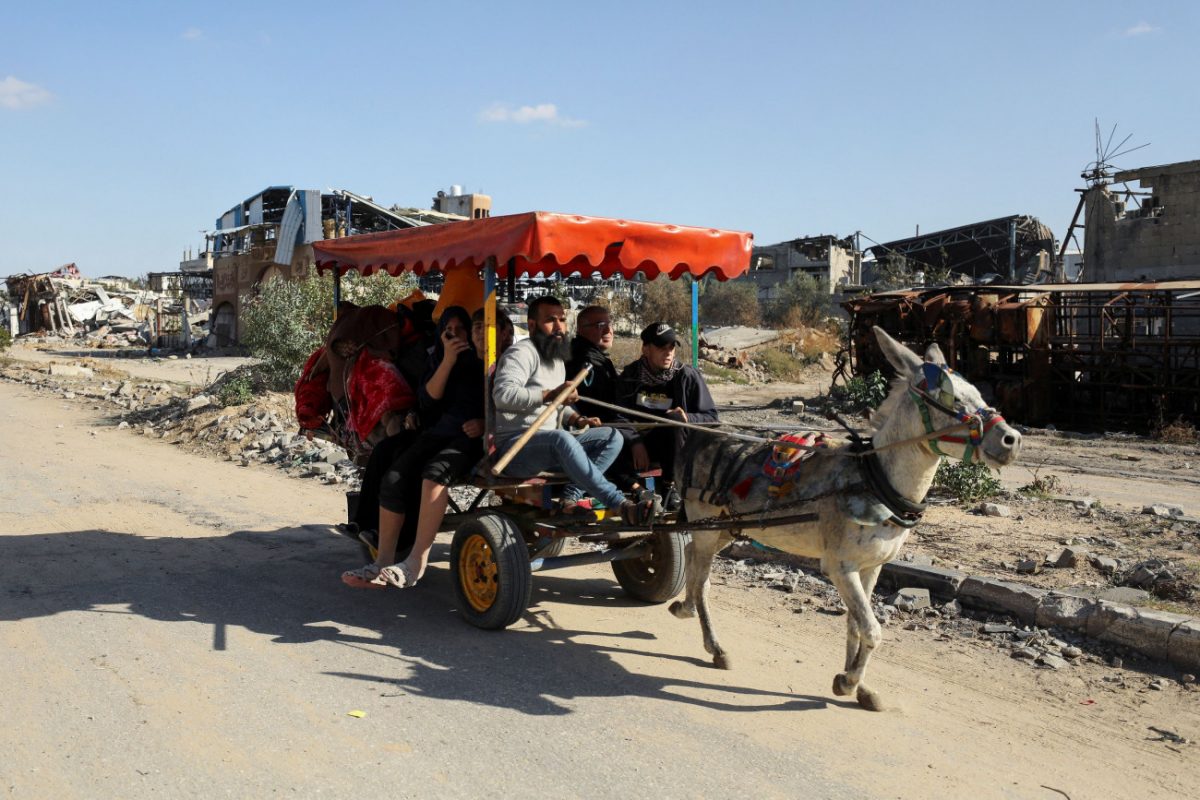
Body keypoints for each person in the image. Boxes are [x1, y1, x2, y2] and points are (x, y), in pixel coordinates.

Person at [341, 306, 486, 589]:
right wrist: (448, 358)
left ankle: (414, 562)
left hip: (466, 439)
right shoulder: (438, 359)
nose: (454, 335)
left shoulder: (481, 359)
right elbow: (429, 399)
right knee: (394, 475)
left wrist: (482, 423)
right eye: (448, 331)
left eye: (461, 330)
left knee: (427, 471)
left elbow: (493, 401)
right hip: (434, 432)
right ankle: (381, 558)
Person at [492, 296, 652, 524]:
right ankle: (620, 504)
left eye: (562, 320)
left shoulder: (556, 358)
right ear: (532, 325)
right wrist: (550, 394)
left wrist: (577, 418)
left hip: (549, 447)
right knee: (560, 438)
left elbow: (556, 404)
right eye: (550, 320)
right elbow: (503, 396)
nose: (559, 327)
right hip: (517, 448)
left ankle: (569, 499)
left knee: (612, 436)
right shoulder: (521, 353)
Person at [618, 321, 719, 509]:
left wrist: (687, 418)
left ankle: (670, 486)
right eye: (661, 347)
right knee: (608, 445)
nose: (668, 352)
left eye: (672, 347)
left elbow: (712, 417)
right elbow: (618, 414)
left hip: (676, 446)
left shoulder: (687, 376)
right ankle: (637, 491)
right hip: (639, 443)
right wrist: (634, 441)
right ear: (646, 349)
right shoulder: (630, 376)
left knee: (673, 420)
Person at [566, 305, 644, 488]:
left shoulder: (597, 357)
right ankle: (636, 488)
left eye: (610, 324)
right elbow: (605, 410)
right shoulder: (585, 360)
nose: (609, 330)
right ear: (580, 330)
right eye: (600, 325)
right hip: (591, 432)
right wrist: (634, 438)